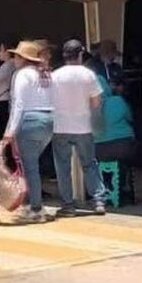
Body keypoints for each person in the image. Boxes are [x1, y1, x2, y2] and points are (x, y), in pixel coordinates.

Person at [50, 39, 108, 217]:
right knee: (89, 163)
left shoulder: (55, 75)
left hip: (60, 126)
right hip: (83, 126)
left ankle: (68, 204)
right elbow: (97, 101)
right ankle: (98, 199)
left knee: (62, 166)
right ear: (81, 54)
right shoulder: (88, 74)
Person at [3, 40, 55, 223]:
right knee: (32, 164)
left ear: (23, 58)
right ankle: (31, 204)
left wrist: (10, 130)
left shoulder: (22, 74)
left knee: (29, 166)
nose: (13, 59)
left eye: (16, 56)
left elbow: (19, 104)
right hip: (48, 121)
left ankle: (35, 207)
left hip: (30, 121)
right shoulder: (46, 74)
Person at [94, 77, 138, 203]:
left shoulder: (91, 107)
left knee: (101, 164)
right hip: (123, 147)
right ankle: (122, 188)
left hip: (99, 150)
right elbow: (130, 118)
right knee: (124, 162)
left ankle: (105, 188)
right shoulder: (118, 100)